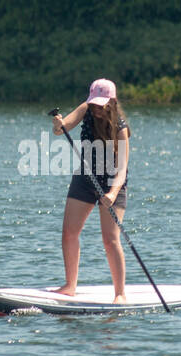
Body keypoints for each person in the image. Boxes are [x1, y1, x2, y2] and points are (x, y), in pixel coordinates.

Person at [50, 78, 131, 302]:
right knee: (69, 232)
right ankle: (70, 286)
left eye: (101, 105)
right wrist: (58, 124)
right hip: (85, 178)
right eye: (94, 103)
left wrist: (113, 193)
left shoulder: (120, 127)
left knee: (110, 239)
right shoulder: (86, 109)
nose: (96, 108)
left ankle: (120, 294)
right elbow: (62, 129)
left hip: (113, 182)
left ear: (111, 103)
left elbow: (122, 168)